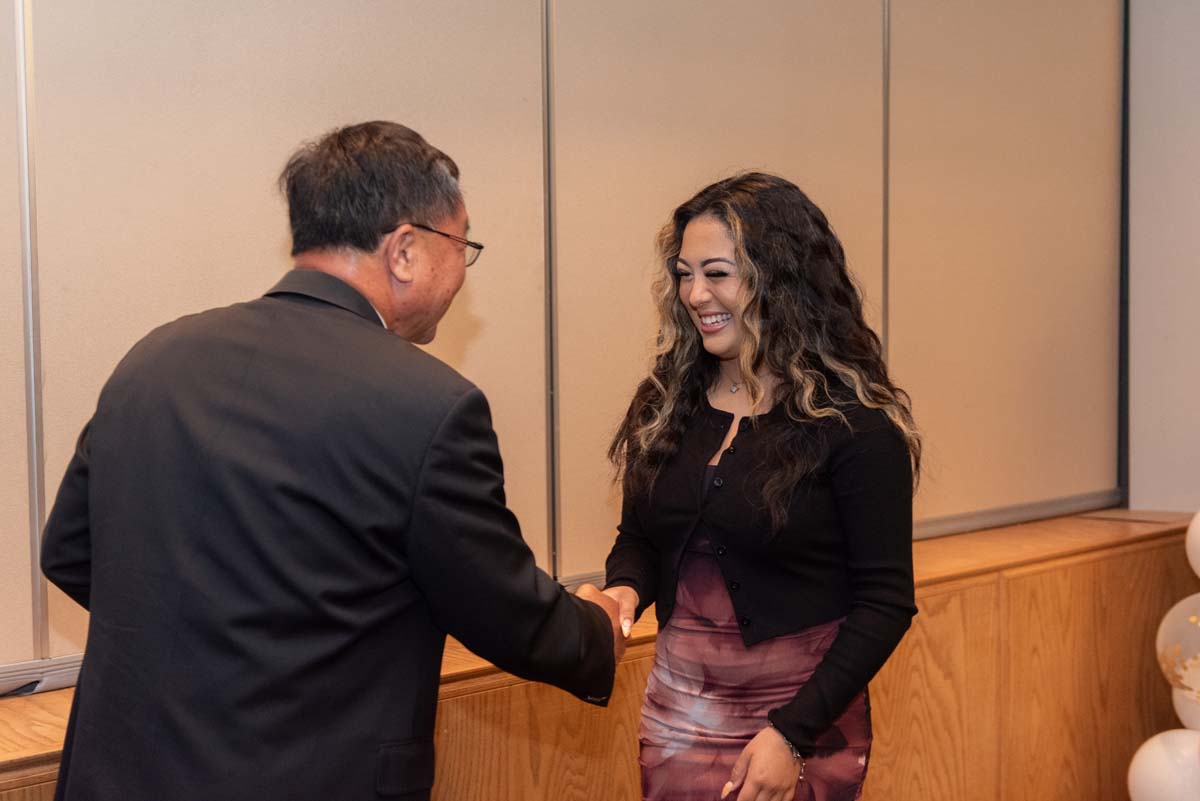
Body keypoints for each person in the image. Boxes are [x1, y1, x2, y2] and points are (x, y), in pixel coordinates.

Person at [40, 120, 622, 801]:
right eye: (463, 246)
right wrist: (598, 630)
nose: (462, 274)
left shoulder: (153, 360)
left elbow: (70, 551)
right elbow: (503, 609)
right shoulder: (428, 405)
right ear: (405, 250)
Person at [602, 173, 921, 801]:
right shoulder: (665, 404)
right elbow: (638, 536)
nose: (695, 294)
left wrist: (792, 735)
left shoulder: (855, 425)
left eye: (717, 273)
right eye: (684, 274)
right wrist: (623, 593)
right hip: (678, 717)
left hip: (802, 725)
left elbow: (886, 603)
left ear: (780, 278)